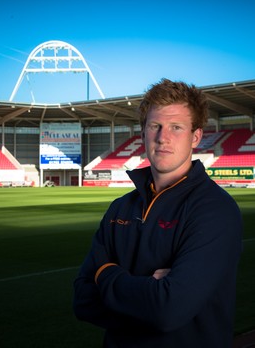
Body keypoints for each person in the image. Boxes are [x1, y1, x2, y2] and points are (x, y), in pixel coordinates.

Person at [73, 78, 242, 348]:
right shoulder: (120, 207)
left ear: (195, 136)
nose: (163, 137)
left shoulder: (215, 210)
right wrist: (148, 296)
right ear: (143, 132)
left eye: (176, 127)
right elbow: (82, 300)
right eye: (155, 126)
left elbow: (168, 310)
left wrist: (104, 273)